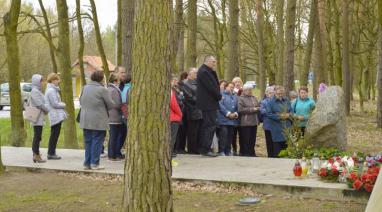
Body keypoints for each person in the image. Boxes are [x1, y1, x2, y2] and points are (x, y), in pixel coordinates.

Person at [79, 71, 114, 170]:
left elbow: (81, 101)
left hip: (85, 119)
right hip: (98, 120)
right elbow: (111, 104)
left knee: (88, 141)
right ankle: (95, 163)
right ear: (101, 79)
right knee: (97, 141)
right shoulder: (102, 90)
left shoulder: (85, 88)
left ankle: (87, 163)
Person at [196, 55, 222, 157]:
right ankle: (205, 149)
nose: (214, 64)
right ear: (207, 61)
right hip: (208, 103)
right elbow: (211, 87)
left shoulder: (206, 71)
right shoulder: (204, 72)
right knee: (209, 126)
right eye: (213, 62)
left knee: (209, 125)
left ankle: (205, 148)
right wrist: (219, 96)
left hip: (209, 103)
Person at [45, 73, 67, 160]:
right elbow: (54, 104)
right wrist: (63, 104)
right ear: (53, 80)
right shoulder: (51, 91)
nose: (59, 81)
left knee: (55, 134)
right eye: (57, 79)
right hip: (54, 115)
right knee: (54, 135)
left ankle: (52, 152)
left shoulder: (53, 90)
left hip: (56, 115)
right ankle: (51, 153)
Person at [266, 86, 292, 158]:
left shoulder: (287, 100)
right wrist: (280, 116)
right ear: (275, 93)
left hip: (287, 127)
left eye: (282, 93)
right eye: (278, 94)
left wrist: (289, 115)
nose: (280, 95)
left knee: (286, 148)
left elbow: (291, 111)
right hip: (276, 128)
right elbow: (269, 114)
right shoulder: (271, 102)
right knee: (277, 150)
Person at [182, 68, 202, 154]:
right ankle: (192, 149)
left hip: (200, 110)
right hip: (192, 111)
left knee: (198, 131)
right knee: (192, 131)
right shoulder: (186, 84)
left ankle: (197, 147)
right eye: (195, 73)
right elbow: (189, 97)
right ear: (190, 75)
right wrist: (201, 99)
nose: (197, 74)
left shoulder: (198, 83)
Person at [30, 74, 49, 163]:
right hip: (36, 116)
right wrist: (47, 110)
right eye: (41, 81)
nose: (42, 82)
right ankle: (36, 155)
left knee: (38, 136)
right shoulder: (35, 91)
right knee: (37, 137)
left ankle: (36, 154)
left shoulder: (37, 90)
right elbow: (39, 104)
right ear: (36, 82)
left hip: (39, 116)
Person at [217, 82, 239, 156]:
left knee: (230, 136)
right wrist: (228, 114)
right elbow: (220, 106)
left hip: (232, 120)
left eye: (233, 87)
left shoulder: (235, 96)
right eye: (230, 87)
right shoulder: (221, 95)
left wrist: (235, 113)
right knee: (223, 136)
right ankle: (221, 150)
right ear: (226, 87)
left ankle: (228, 151)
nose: (231, 88)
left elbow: (237, 107)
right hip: (223, 119)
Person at [238, 84, 260, 157]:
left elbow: (258, 106)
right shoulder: (241, 98)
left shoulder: (254, 97)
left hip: (254, 121)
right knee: (246, 139)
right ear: (244, 90)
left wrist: (258, 108)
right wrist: (252, 109)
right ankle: (245, 153)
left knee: (252, 139)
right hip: (246, 122)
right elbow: (240, 109)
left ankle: (252, 153)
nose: (250, 91)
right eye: (249, 90)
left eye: (251, 90)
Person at [107, 74, 124, 161]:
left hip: (109, 116)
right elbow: (117, 104)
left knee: (112, 136)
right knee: (114, 136)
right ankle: (112, 155)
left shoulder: (108, 89)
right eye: (118, 81)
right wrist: (122, 105)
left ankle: (111, 154)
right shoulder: (114, 90)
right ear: (115, 81)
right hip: (115, 116)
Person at [118, 66, 130, 159]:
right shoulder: (118, 86)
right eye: (121, 72)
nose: (123, 74)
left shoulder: (123, 85)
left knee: (123, 133)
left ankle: (117, 151)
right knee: (118, 134)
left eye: (124, 72)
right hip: (120, 114)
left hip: (122, 113)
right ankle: (115, 152)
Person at [260, 86, 275, 158]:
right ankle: (270, 155)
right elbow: (262, 111)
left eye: (272, 93)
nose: (271, 94)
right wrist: (271, 112)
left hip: (276, 125)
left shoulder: (276, 101)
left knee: (275, 141)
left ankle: (275, 155)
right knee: (268, 141)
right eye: (270, 93)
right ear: (266, 93)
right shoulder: (263, 102)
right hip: (267, 125)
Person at [170, 77, 183, 159]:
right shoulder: (170, 91)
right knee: (172, 137)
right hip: (173, 117)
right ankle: (169, 152)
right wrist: (180, 114)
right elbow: (174, 104)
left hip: (169, 117)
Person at [231, 77, 243, 155]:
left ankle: (242, 151)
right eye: (236, 82)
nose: (238, 83)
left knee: (242, 136)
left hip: (243, 119)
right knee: (233, 136)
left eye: (239, 82)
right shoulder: (232, 92)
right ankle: (234, 150)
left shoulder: (244, 91)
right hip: (234, 118)